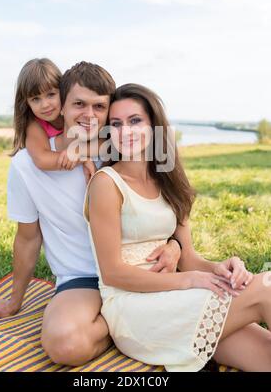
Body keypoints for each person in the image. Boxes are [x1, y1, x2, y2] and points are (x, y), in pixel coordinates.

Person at [0, 62, 181, 367]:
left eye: (100, 106)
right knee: (65, 345)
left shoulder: (124, 146)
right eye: (79, 104)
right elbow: (28, 238)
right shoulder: (26, 165)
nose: (89, 114)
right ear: (63, 105)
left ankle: (133, 320)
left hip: (141, 267)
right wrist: (15, 300)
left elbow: (169, 210)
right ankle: (123, 325)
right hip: (82, 278)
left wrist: (176, 246)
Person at [84, 83, 271, 372]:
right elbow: (113, 273)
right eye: (116, 124)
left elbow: (190, 259)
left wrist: (221, 267)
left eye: (135, 121)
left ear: (154, 126)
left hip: (178, 301)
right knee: (267, 286)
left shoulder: (168, 182)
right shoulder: (106, 184)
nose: (125, 132)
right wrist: (190, 280)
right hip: (134, 310)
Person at [11, 58, 95, 182]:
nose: (45, 105)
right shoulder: (34, 124)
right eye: (35, 99)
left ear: (63, 91)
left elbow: (104, 140)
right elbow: (42, 159)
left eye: (51, 94)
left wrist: (79, 151)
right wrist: (82, 158)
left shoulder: (77, 112)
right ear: (27, 103)